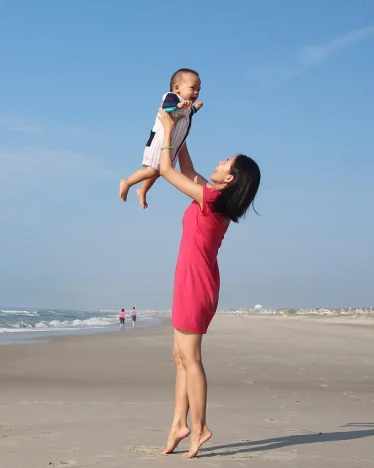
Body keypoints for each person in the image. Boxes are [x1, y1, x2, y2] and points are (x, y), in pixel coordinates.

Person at [155, 107, 260, 458]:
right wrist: (183, 123)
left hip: (196, 284)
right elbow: (186, 168)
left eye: (225, 162)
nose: (218, 162)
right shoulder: (212, 197)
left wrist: (168, 131)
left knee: (191, 358)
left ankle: (199, 427)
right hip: (191, 279)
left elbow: (167, 169)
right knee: (179, 357)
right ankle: (178, 425)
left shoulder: (212, 199)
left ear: (229, 179)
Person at [119, 68, 203, 209]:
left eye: (198, 89)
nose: (196, 92)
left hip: (172, 144)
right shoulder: (172, 97)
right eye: (193, 88)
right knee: (152, 170)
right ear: (177, 88)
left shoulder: (186, 105)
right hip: (159, 141)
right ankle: (127, 182)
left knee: (158, 172)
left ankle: (142, 190)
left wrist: (194, 109)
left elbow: (187, 115)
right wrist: (178, 105)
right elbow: (167, 107)